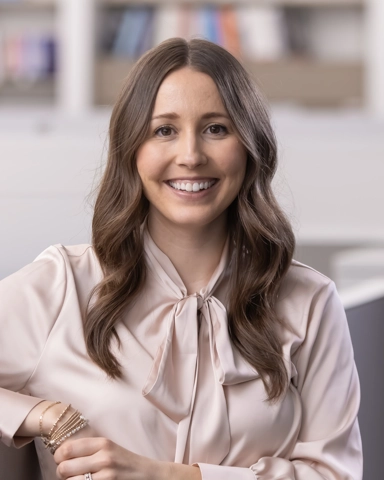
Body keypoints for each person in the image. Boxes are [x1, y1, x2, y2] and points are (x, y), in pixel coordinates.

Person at [0, 38, 362, 480]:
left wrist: (168, 475)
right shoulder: (60, 286)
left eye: (216, 128)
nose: (190, 156)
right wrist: (45, 414)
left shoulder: (309, 301)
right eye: (164, 130)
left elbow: (336, 474)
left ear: (250, 148)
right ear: (131, 149)